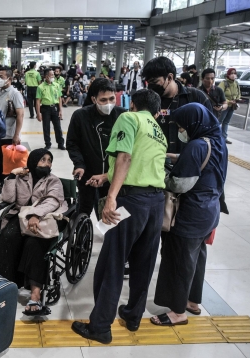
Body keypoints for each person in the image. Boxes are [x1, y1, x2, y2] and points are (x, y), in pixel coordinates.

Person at [72, 89, 167, 344]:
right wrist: (107, 175)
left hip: (131, 201)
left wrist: (111, 197)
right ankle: (133, 316)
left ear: (132, 104)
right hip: (156, 202)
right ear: (156, 110)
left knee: (112, 262)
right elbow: (141, 163)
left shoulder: (129, 118)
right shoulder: (157, 129)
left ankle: (100, 327)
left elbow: (125, 157)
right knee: (143, 262)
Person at [151, 103, 227, 326]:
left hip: (191, 213)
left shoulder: (196, 146)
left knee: (179, 259)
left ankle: (177, 312)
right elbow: (205, 165)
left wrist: (160, 177)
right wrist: (175, 157)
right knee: (197, 255)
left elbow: (180, 184)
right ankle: (192, 302)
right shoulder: (217, 140)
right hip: (209, 211)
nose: (180, 130)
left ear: (193, 123)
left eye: (181, 126)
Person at [0, 148, 67, 315]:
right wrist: (12, 176)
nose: (47, 163)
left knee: (34, 243)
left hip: (42, 218)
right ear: (33, 160)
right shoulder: (22, 178)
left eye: (49, 160)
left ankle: (35, 293)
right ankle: (6, 285)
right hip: (20, 216)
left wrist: (35, 215)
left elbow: (52, 201)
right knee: (7, 237)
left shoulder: (53, 181)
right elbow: (7, 199)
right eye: (43, 159)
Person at [66, 78, 127, 218]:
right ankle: (82, 235)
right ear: (94, 99)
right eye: (103, 100)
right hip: (87, 173)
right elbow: (72, 143)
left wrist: (111, 174)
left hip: (112, 174)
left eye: (112, 99)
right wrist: (79, 164)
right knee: (83, 210)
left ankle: (110, 238)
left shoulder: (123, 115)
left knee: (109, 213)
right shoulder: (80, 116)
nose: (108, 104)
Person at [142, 56, 212, 154]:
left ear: (170, 77)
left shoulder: (196, 98)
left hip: (188, 162)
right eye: (149, 83)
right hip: (156, 162)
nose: (151, 87)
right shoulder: (148, 101)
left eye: (155, 82)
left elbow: (210, 134)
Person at [0, 67, 25, 194]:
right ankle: (2, 185)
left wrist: (16, 135)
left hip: (9, 134)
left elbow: (20, 115)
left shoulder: (15, 94)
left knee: (9, 164)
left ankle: (11, 188)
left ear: (10, 78)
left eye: (2, 77)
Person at [35, 69, 65, 151]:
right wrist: (38, 113)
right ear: (46, 76)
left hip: (55, 107)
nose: (53, 76)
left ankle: (60, 143)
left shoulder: (56, 85)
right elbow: (38, 101)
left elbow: (59, 98)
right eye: (51, 75)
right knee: (46, 127)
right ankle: (47, 144)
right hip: (45, 108)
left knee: (58, 127)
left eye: (53, 75)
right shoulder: (40, 87)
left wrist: (60, 110)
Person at [218, 68, 240, 144]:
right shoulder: (224, 83)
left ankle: (224, 138)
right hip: (225, 105)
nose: (233, 75)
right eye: (231, 73)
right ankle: (215, 136)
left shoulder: (236, 83)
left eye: (234, 73)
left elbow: (238, 93)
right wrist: (228, 101)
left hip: (232, 106)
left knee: (226, 122)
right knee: (219, 121)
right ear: (228, 74)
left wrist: (237, 99)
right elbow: (220, 94)